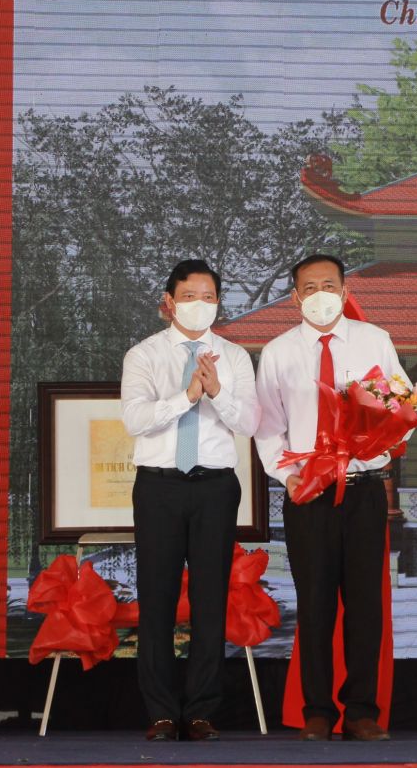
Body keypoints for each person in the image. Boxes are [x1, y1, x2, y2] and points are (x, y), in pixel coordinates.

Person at [255, 254, 409, 742]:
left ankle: (362, 711)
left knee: (364, 604)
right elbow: (267, 428)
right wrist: (288, 478)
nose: (320, 294)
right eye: (309, 287)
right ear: (296, 296)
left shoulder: (374, 340)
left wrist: (382, 441)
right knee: (316, 602)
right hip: (309, 494)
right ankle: (317, 710)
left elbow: (401, 405)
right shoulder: (278, 352)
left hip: (363, 491)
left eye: (329, 285)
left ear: (344, 292)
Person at [122, 260, 259, 741]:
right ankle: (161, 712)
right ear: (168, 302)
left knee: (209, 598)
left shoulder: (235, 357)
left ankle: (201, 711)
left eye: (208, 297)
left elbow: (248, 422)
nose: (199, 305)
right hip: (159, 485)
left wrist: (216, 392)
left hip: (215, 486)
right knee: (156, 597)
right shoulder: (143, 355)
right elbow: (136, 420)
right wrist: (187, 395)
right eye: (189, 296)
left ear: (218, 303)